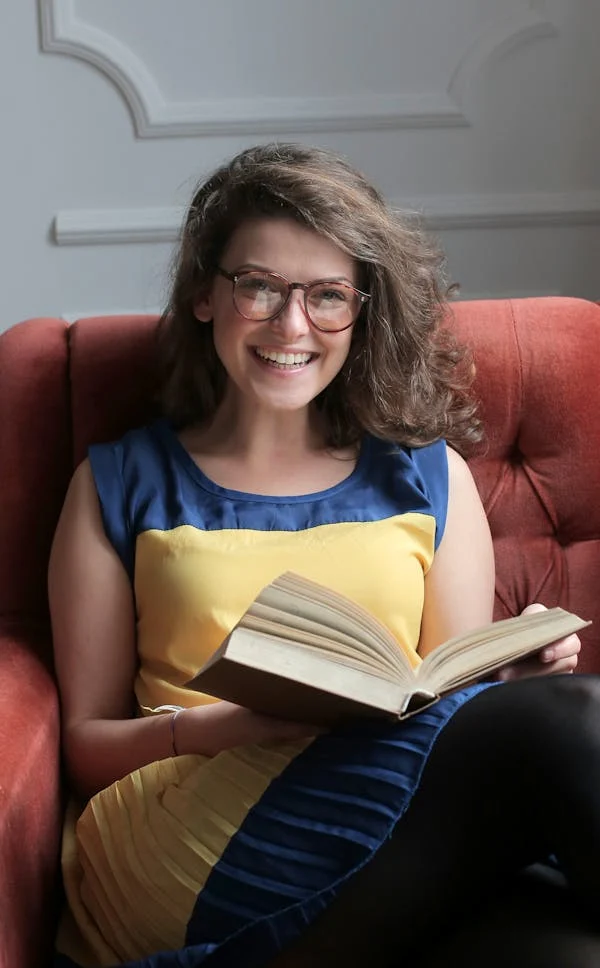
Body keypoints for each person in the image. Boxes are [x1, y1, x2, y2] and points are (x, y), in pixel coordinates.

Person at [49, 143, 599, 968]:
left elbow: (445, 699)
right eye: (260, 287)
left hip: (384, 809)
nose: (292, 325)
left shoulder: (428, 475)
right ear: (206, 293)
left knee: (562, 946)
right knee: (575, 723)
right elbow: (86, 744)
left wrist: (505, 679)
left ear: (362, 309)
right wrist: (228, 725)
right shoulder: (116, 483)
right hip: (185, 832)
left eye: (327, 296)